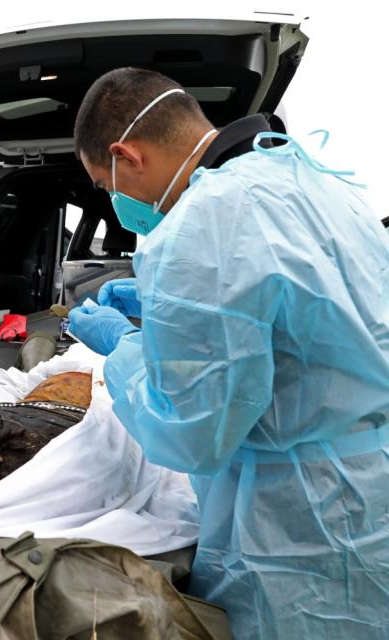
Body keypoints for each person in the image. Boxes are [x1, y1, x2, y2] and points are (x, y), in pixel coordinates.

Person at [66, 67, 389, 638]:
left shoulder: (200, 226)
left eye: (107, 188)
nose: (119, 204)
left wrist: (125, 347)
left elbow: (193, 431)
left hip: (298, 531)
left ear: (127, 155)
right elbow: (304, 301)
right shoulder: (309, 177)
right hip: (372, 490)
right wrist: (163, 303)